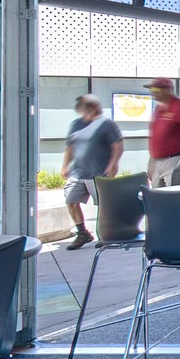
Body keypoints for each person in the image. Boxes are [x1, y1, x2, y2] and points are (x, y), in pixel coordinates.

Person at [61, 95, 123, 249]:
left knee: (103, 205)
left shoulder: (107, 124)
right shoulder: (76, 124)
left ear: (93, 107)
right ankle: (82, 233)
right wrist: (65, 166)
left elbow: (117, 146)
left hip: (99, 172)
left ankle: (105, 235)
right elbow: (70, 147)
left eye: (84, 105)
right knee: (71, 201)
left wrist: (113, 164)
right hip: (78, 172)